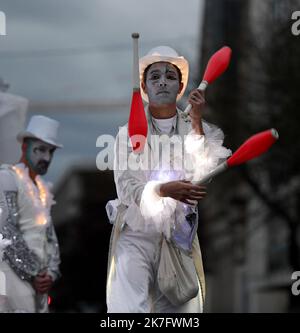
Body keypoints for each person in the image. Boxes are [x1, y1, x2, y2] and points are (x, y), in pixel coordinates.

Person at [106, 46, 231, 313]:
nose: (162, 81)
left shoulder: (195, 128)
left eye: (170, 76)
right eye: (154, 77)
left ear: (181, 87)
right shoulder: (126, 133)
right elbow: (126, 187)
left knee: (182, 315)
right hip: (135, 236)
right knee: (126, 312)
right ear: (144, 87)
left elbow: (201, 176)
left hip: (178, 237)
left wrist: (196, 122)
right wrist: (162, 190)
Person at [0, 115, 63, 313]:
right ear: (24, 147)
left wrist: (51, 273)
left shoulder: (43, 189)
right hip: (12, 279)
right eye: (40, 149)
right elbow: (5, 230)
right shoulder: (7, 178)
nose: (47, 158)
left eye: (51, 151)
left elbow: (49, 237)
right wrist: (34, 272)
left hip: (39, 284)